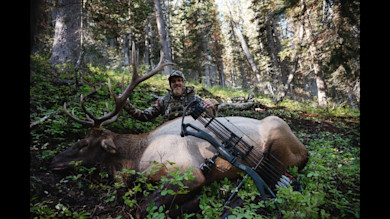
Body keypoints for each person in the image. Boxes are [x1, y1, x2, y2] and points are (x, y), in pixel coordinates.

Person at [124, 70, 215, 121]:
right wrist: (127, 105)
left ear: (183, 82)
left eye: (179, 80)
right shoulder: (164, 101)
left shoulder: (194, 98)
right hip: (170, 139)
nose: (177, 83)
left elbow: (209, 116)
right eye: (173, 81)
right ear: (170, 85)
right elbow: (144, 116)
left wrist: (211, 106)